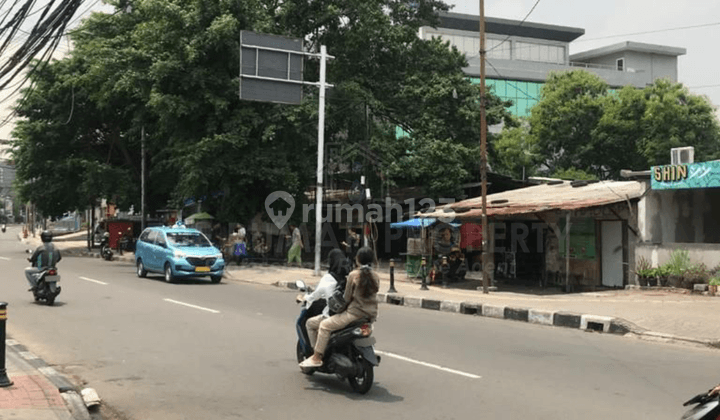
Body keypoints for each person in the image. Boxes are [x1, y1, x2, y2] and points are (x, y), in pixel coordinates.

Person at [299, 246, 379, 368]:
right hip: (371, 316)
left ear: (357, 259)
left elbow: (346, 298)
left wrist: (339, 308)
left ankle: (316, 357)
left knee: (324, 326)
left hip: (354, 315)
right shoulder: (375, 276)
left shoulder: (353, 275)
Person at [303, 249, 351, 349]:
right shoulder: (347, 278)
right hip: (347, 315)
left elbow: (316, 295)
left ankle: (315, 352)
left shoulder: (328, 277)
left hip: (333, 316)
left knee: (309, 324)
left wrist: (306, 297)